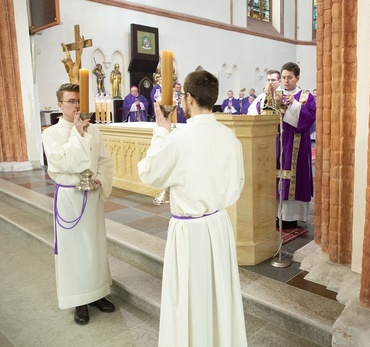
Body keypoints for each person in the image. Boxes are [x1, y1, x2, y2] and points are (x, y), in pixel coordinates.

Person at [138, 70, 247, 346]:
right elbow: (237, 186)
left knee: (188, 297)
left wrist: (161, 133)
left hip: (189, 231)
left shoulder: (179, 139)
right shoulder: (229, 138)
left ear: (188, 98)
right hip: (218, 225)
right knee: (218, 294)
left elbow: (149, 173)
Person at [41, 83, 115, 325]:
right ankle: (79, 300)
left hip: (92, 196)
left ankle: (97, 293)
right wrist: (78, 132)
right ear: (60, 105)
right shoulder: (50, 134)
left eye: (78, 101)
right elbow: (64, 163)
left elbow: (104, 160)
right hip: (69, 198)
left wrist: (101, 180)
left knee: (94, 248)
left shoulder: (95, 131)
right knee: (75, 252)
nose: (75, 106)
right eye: (70, 101)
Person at [276, 62, 316, 228]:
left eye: (289, 78)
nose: (286, 81)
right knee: (277, 177)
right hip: (277, 144)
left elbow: (310, 118)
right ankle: (277, 214)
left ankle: (292, 216)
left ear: (297, 78)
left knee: (294, 178)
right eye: (284, 77)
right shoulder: (275, 94)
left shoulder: (306, 96)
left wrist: (295, 104)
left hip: (296, 146)